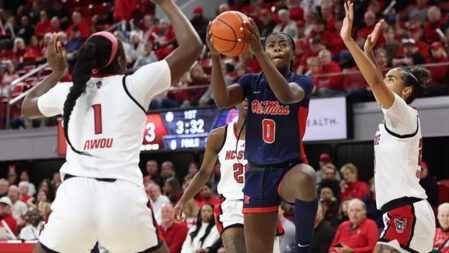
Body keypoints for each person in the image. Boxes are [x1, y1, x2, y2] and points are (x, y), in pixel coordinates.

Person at [20, 0, 202, 251]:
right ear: (119, 60)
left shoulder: (68, 92)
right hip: (123, 196)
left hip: (75, 196)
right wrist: (165, 3)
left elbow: (26, 106)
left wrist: (55, 73)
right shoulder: (135, 84)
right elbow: (193, 46)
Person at [207, 15, 317, 252]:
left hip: (289, 168)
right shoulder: (250, 82)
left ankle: (303, 247)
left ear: (293, 54)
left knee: (307, 177)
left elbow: (285, 95)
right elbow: (222, 99)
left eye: (283, 44)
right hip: (257, 174)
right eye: (271, 45)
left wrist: (259, 53)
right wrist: (215, 57)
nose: (277, 47)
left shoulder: (302, 82)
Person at [341, 2, 436, 252]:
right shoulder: (396, 116)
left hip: (408, 208)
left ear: (406, 91)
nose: (384, 80)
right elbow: (377, 82)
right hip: (401, 210)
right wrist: (368, 52)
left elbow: (374, 82)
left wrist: (348, 40)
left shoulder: (403, 113)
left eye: (391, 78)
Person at [174, 99, 250, 253]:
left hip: (262, 203)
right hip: (231, 205)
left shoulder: (267, 133)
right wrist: (182, 201)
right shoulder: (219, 136)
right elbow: (203, 173)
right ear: (235, 102)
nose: (247, 99)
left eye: (251, 95)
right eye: (242, 96)